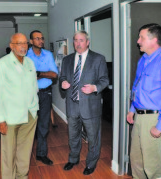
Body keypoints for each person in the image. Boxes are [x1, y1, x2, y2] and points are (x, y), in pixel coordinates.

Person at [127, 23, 161, 179]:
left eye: (141, 37)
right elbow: (136, 87)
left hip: (153, 119)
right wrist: (132, 109)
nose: (138, 41)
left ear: (154, 40)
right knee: (136, 160)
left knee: (152, 165)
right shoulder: (143, 60)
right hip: (138, 116)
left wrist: (160, 126)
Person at [59, 30, 109, 175]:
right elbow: (62, 77)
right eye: (75, 40)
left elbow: (104, 80)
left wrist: (94, 87)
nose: (78, 43)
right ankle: (73, 159)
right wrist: (62, 83)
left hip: (90, 107)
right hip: (72, 105)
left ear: (87, 42)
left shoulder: (98, 59)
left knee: (93, 138)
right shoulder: (67, 60)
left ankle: (91, 163)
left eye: (81, 40)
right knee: (73, 136)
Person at [0, 33, 39, 179]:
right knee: (9, 153)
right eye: (19, 43)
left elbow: (34, 87)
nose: (23, 46)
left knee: (25, 151)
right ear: (12, 46)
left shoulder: (30, 63)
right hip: (10, 117)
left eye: (25, 43)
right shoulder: (2, 64)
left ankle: (22, 176)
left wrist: (35, 108)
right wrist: (0, 119)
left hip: (29, 115)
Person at [26, 30, 58, 165]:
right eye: (37, 38)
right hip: (29, 94)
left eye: (42, 38)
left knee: (44, 125)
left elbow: (54, 75)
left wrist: (38, 73)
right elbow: (25, 76)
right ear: (31, 41)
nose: (40, 41)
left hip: (45, 93)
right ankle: (25, 156)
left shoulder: (48, 55)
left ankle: (41, 154)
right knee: (27, 125)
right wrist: (46, 73)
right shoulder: (25, 55)